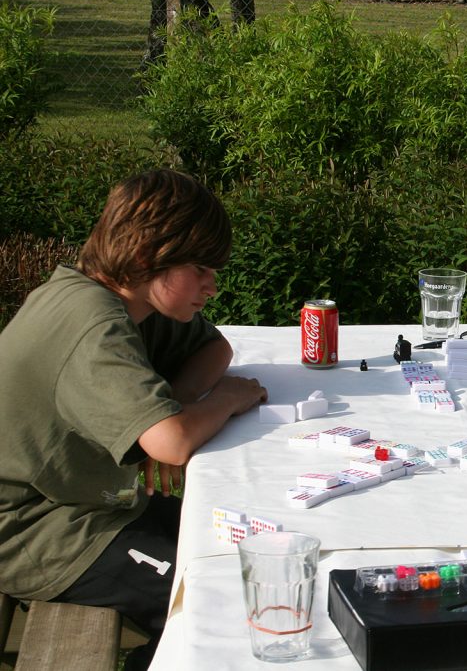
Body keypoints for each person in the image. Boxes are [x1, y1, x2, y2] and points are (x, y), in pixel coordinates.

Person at [0, 169, 268, 670]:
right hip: (37, 532)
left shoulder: (126, 303)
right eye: (200, 268)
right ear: (149, 256)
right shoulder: (95, 326)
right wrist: (222, 401)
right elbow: (171, 442)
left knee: (244, 550)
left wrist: (175, 403)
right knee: (221, 601)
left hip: (88, 501)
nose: (212, 284)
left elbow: (216, 346)